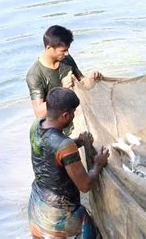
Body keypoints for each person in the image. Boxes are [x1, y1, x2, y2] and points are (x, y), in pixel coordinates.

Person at [27, 87, 109, 238]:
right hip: (57, 215)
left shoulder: (36, 125)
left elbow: (50, 149)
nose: (73, 115)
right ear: (66, 115)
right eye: (73, 112)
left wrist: (77, 142)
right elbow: (85, 185)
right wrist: (98, 164)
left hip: (36, 207)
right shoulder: (65, 145)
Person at [26, 25, 103, 118]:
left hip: (74, 117)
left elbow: (83, 85)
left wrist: (91, 79)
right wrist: (61, 90)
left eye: (68, 49)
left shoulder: (66, 59)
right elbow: (39, 113)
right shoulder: (35, 74)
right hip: (56, 126)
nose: (67, 53)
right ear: (49, 48)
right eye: (63, 50)